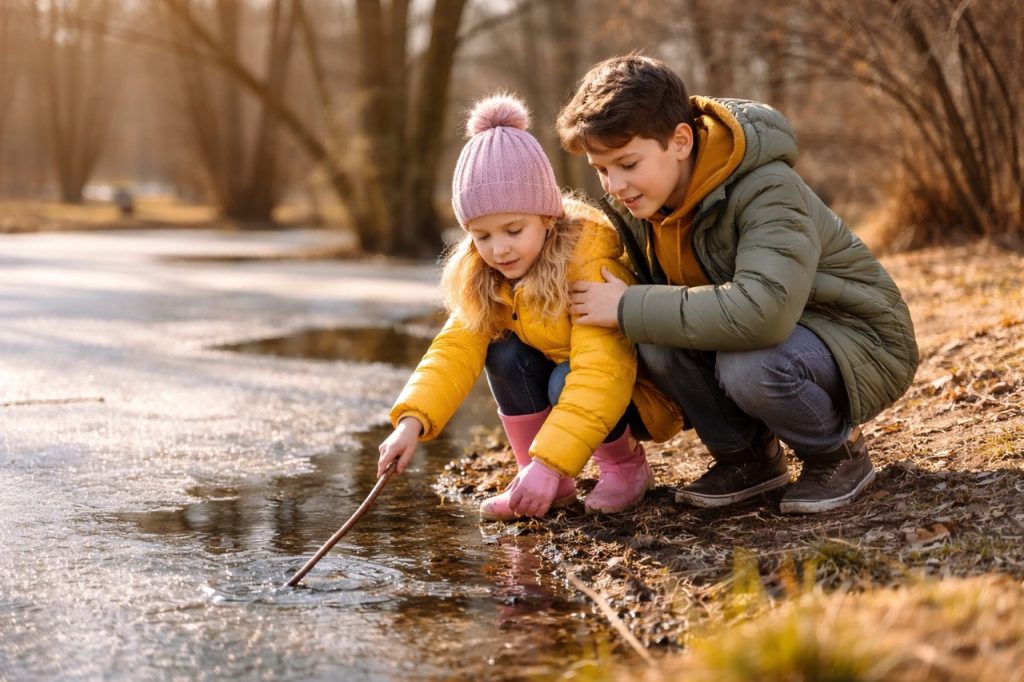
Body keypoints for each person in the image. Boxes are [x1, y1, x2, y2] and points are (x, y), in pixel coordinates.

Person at [557, 54, 919, 514]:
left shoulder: (766, 187)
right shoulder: (644, 205)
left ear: (680, 141)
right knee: (657, 339)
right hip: (768, 336)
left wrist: (628, 307)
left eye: (628, 163)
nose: (614, 184)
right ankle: (747, 461)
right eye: (602, 169)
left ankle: (838, 456)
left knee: (743, 364)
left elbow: (763, 313)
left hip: (856, 337)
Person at [376, 93, 682, 521]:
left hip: (630, 394)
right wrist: (410, 422)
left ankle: (624, 467)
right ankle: (539, 480)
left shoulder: (587, 259)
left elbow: (602, 371)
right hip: (575, 403)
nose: (499, 249)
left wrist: (550, 459)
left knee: (565, 376)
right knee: (501, 351)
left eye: (513, 230)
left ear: (547, 217)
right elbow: (453, 349)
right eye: (481, 236)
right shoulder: (485, 273)